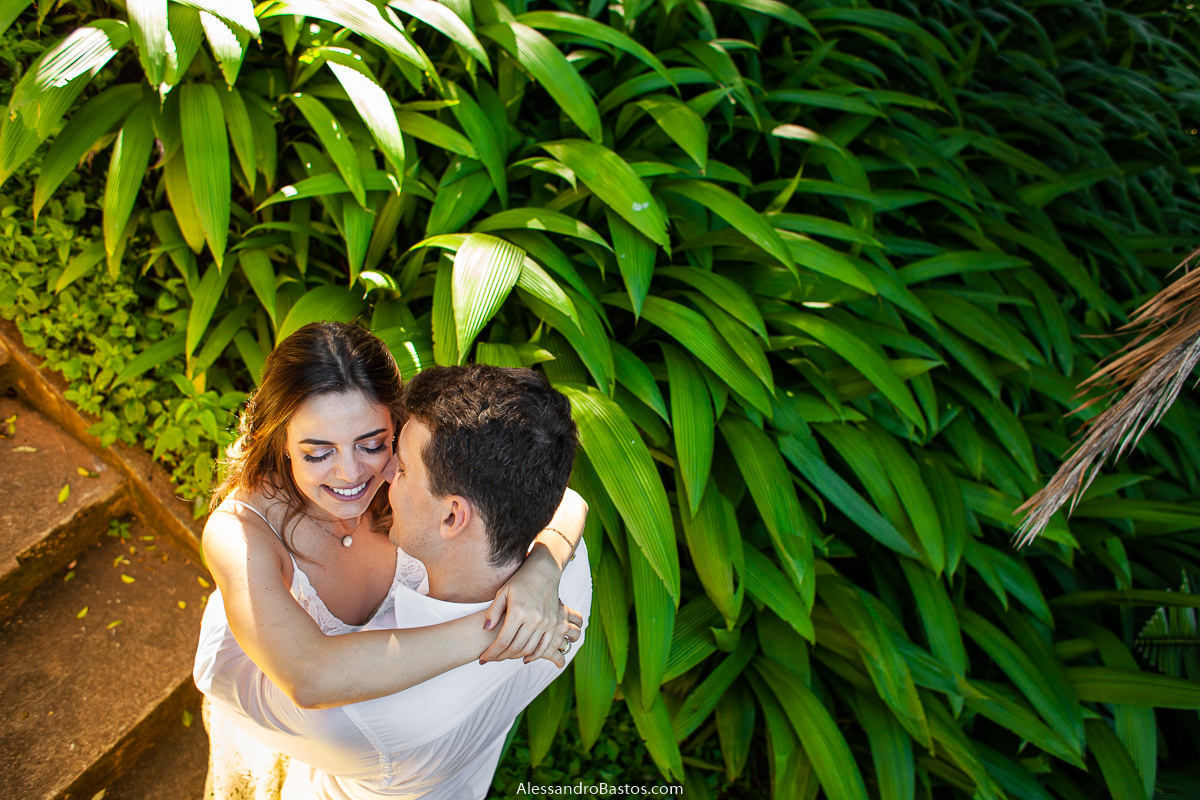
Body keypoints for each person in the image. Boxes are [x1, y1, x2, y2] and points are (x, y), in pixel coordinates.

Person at [193, 323, 587, 798]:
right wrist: (504, 626)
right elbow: (309, 676)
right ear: (280, 441)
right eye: (318, 453)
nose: (351, 474)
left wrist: (543, 567)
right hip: (273, 681)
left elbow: (560, 497)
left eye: (373, 444)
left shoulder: (414, 478)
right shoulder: (241, 533)